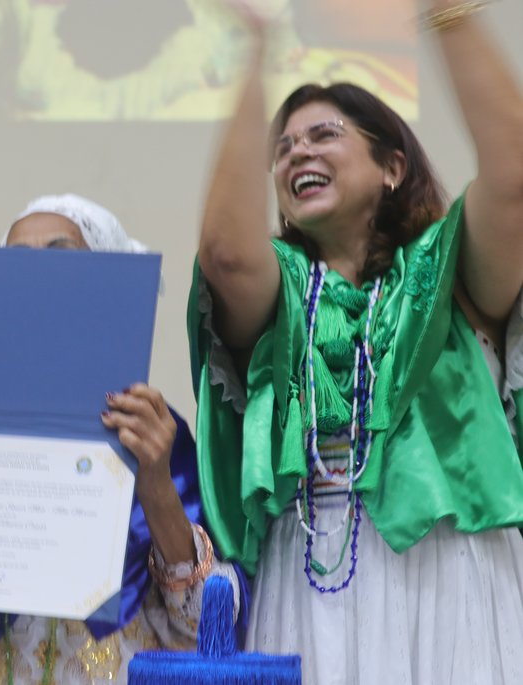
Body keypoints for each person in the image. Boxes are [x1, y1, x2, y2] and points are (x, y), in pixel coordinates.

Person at [191, 1, 523, 683]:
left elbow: (515, 180)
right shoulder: (283, 295)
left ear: (392, 167)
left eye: (324, 134)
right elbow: (225, 254)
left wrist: (448, 13)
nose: (298, 152)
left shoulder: (450, 274)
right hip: (311, 577)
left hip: (451, 572)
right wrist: (255, 54)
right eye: (284, 147)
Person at [0, 194, 244, 684]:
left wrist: (156, 483)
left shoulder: (153, 433)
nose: (36, 276)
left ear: (105, 288)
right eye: (17, 261)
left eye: (61, 257)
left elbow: (204, 630)